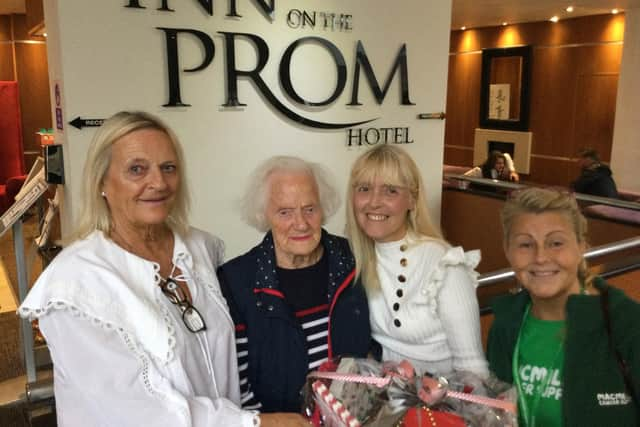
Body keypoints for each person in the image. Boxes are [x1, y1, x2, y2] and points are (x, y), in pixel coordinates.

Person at [17, 111, 304, 427]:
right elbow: (132, 410)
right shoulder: (75, 285)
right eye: (137, 170)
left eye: (168, 168)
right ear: (101, 182)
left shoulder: (201, 247)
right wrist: (257, 423)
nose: (158, 182)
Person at [218, 156, 373, 413]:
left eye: (310, 209)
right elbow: (238, 385)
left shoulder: (353, 259)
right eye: (284, 212)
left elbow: (374, 350)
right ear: (264, 214)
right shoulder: (237, 281)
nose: (300, 223)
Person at [487, 187, 640, 426]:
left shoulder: (627, 324)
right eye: (525, 245)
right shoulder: (506, 325)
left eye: (556, 243)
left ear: (581, 246)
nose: (540, 257)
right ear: (507, 250)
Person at [345, 145, 488, 378]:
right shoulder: (354, 256)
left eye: (390, 191)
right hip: (384, 403)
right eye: (364, 189)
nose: (374, 202)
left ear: (412, 200)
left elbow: (473, 370)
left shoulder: (442, 263)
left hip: (442, 405)